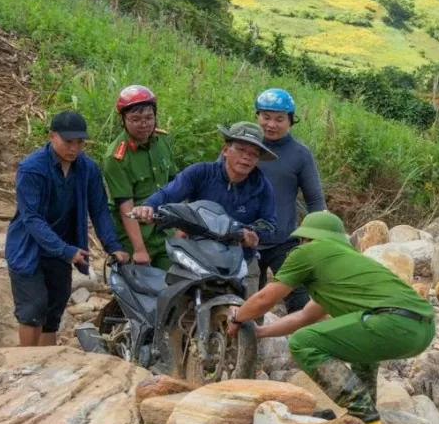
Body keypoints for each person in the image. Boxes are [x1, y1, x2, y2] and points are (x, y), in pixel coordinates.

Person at [227, 211, 435, 424]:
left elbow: (265, 298)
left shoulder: (308, 252)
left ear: (305, 239)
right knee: (361, 350)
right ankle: (367, 418)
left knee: (302, 342)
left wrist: (237, 316)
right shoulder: (347, 262)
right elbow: (305, 315)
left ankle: (364, 413)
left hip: (392, 323)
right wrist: (261, 332)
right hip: (423, 329)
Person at [5, 110, 129, 347]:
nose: (74, 148)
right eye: (68, 141)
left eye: (80, 142)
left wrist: (113, 246)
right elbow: (32, 219)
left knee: (52, 314)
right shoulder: (32, 168)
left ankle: (47, 368)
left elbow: (100, 209)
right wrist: (65, 250)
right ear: (52, 136)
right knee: (32, 310)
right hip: (28, 248)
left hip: (61, 248)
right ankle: (25, 366)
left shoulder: (88, 169)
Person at [130, 122, 278, 262]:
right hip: (196, 255)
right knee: (173, 284)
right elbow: (168, 193)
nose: (246, 157)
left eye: (254, 154)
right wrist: (148, 206)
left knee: (251, 287)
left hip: (240, 260)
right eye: (241, 149)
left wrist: (254, 234)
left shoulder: (262, 186)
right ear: (226, 150)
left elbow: (269, 224)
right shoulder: (201, 173)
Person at [247, 87, 326, 314]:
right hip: (243, 240)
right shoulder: (244, 147)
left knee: (300, 299)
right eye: (266, 117)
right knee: (247, 303)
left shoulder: (300, 154)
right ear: (257, 117)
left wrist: (315, 237)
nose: (271, 124)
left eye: (279, 119)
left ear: (290, 121)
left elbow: (315, 201)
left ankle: (301, 344)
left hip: (283, 240)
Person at [102, 85, 178, 270]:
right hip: (135, 235)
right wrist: (139, 249)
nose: (144, 124)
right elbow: (125, 204)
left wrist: (179, 227)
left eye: (148, 118)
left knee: (173, 286)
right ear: (123, 120)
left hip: (164, 229)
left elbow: (175, 185)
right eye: (135, 119)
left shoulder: (163, 141)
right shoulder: (117, 157)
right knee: (138, 292)